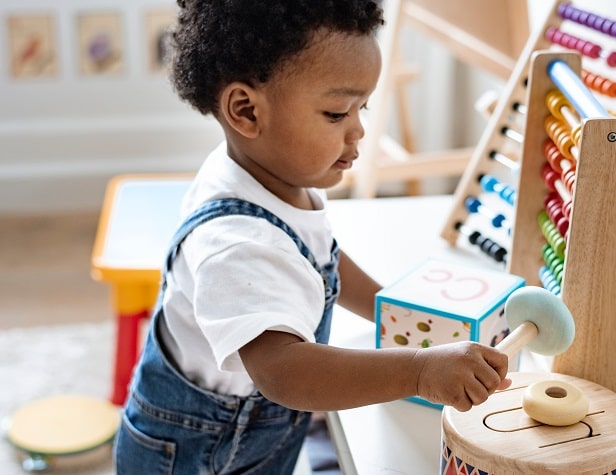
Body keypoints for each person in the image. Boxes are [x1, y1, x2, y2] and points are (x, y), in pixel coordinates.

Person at [113, 1, 511, 474]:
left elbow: (323, 258)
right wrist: (419, 372)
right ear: (246, 111)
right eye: (337, 112)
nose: (359, 129)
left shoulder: (275, 177)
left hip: (254, 433)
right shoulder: (236, 244)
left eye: (362, 107)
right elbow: (285, 371)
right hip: (195, 452)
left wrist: (391, 306)